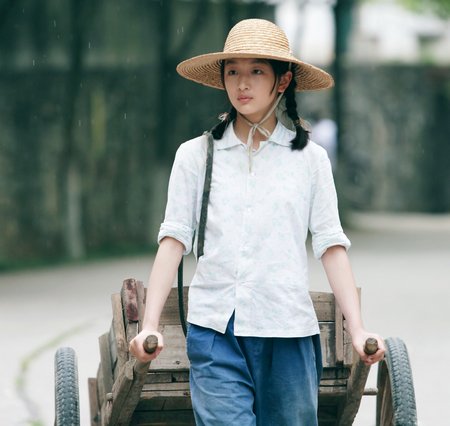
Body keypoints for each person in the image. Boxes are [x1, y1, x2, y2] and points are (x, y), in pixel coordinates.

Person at [129, 18, 385, 425]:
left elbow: (331, 245)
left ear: (282, 82)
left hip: (287, 331)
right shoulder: (195, 156)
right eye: (233, 72)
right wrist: (148, 327)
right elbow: (173, 240)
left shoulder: (310, 160)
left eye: (256, 71)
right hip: (215, 332)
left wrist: (357, 331)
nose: (242, 83)